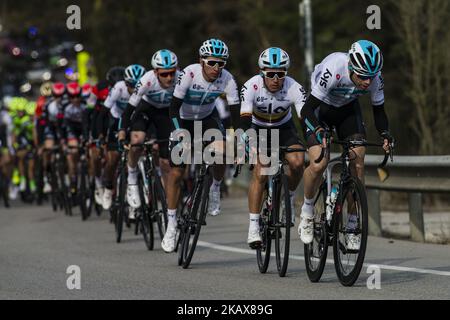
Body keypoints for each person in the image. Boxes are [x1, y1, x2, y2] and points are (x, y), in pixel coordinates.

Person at [299, 40, 393, 250]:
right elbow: (306, 111)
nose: (367, 82)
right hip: (320, 109)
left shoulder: (374, 76)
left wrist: (385, 134)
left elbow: (379, 110)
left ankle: (352, 225)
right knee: (319, 163)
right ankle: (306, 212)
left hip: (348, 111)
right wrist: (318, 130)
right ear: (351, 67)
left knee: (357, 165)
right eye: (362, 76)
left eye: (370, 77)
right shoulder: (333, 69)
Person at [161, 39, 240, 253]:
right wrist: (180, 134)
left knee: (224, 151)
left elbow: (235, 115)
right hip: (183, 119)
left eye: (221, 63)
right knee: (177, 172)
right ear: (201, 61)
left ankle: (215, 187)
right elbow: (173, 109)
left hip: (207, 119)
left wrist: (237, 138)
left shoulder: (228, 79)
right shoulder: (188, 74)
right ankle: (171, 225)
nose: (216, 68)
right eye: (212, 62)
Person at [240, 47, 307, 248]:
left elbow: (305, 119)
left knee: (297, 162)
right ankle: (253, 226)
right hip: (258, 128)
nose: (276, 79)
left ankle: (288, 198)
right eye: (271, 74)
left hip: (284, 128)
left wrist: (312, 137)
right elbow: (244, 120)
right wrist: (249, 142)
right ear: (262, 73)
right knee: (261, 172)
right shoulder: (250, 86)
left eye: (281, 74)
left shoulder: (294, 87)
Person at [119, 50, 179, 213]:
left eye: (172, 73)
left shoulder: (181, 79)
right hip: (145, 110)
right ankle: (132, 176)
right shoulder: (146, 81)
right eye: (164, 74)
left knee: (166, 163)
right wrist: (123, 130)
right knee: (137, 143)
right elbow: (129, 109)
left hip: (165, 114)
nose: (169, 78)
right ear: (155, 72)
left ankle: (169, 202)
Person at [99, 64, 146, 210]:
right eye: (132, 85)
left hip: (135, 118)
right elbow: (102, 113)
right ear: (126, 83)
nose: (135, 89)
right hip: (117, 119)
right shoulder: (118, 88)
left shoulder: (147, 87)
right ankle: (108, 188)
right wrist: (101, 134)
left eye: (138, 85)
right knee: (113, 158)